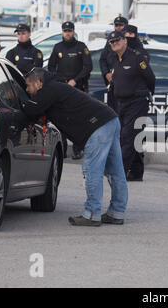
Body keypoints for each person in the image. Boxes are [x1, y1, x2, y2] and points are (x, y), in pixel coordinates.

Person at [22, 68, 128, 227]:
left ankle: (92, 214)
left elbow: (30, 110)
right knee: (115, 171)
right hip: (110, 119)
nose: (27, 89)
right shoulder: (56, 87)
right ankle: (117, 212)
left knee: (92, 170)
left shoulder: (49, 90)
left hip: (97, 126)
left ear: (38, 83)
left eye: (28, 86)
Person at [109, 30, 155, 182]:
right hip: (122, 103)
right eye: (112, 42)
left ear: (125, 41)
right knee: (131, 137)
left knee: (127, 137)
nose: (114, 43)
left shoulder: (136, 58)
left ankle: (119, 173)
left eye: (117, 40)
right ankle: (136, 172)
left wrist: (144, 94)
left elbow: (150, 78)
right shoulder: (116, 60)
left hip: (137, 102)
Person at [48, 21, 93, 160]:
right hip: (62, 89)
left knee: (78, 119)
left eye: (70, 31)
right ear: (62, 32)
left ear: (74, 32)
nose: (67, 33)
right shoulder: (57, 48)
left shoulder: (81, 47)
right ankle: (62, 149)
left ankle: (78, 149)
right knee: (62, 119)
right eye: (65, 31)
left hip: (77, 88)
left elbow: (88, 67)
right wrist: (60, 81)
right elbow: (51, 68)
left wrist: (75, 80)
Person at [100, 15, 129, 87]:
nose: (118, 27)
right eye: (116, 25)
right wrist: (106, 73)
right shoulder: (111, 37)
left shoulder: (130, 38)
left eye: (121, 25)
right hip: (112, 79)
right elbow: (103, 59)